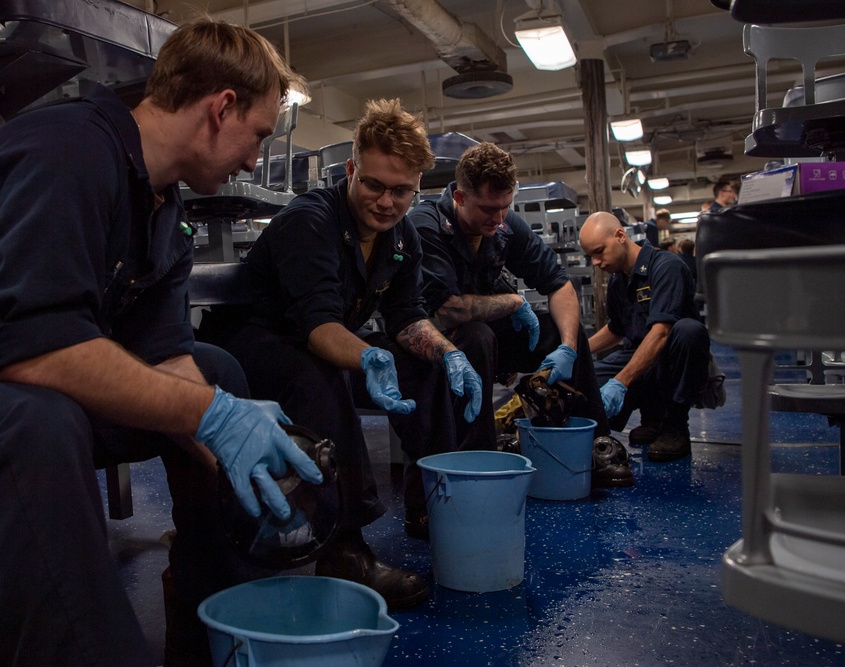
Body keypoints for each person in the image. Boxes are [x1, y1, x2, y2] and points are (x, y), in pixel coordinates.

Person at [0, 18, 325, 667]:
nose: (255, 159)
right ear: (220, 108)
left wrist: (235, 453)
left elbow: (167, 357)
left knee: (213, 367)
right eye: (256, 134)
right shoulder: (71, 149)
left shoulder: (163, 209)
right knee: (30, 423)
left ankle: (217, 629)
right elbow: (36, 349)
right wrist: (211, 417)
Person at [222, 98, 483, 601]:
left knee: (425, 365)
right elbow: (318, 326)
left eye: (401, 191)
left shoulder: (403, 236)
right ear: (350, 170)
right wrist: (366, 356)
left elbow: (407, 316)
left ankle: (432, 503)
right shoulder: (310, 220)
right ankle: (345, 548)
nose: (386, 202)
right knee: (322, 372)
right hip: (255, 344)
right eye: (374, 185)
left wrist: (448, 353)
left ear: (418, 189)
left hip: (323, 339)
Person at [408, 142, 632, 489]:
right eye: (487, 209)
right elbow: (449, 310)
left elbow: (559, 284)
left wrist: (569, 347)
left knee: (560, 332)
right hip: (436, 343)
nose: (498, 219)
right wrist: (513, 302)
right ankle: (479, 460)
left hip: (487, 336)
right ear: (461, 196)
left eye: (504, 207)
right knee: (477, 336)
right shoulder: (426, 225)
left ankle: (595, 444)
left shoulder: (502, 224)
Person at [579, 211, 711, 462]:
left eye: (599, 251)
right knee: (587, 382)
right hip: (641, 356)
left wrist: (620, 382)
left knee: (688, 332)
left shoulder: (665, 267)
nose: (595, 262)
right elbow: (617, 330)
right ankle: (652, 418)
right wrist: (577, 351)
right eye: (590, 256)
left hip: (669, 357)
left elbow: (661, 332)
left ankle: (674, 424)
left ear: (619, 236)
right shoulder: (619, 282)